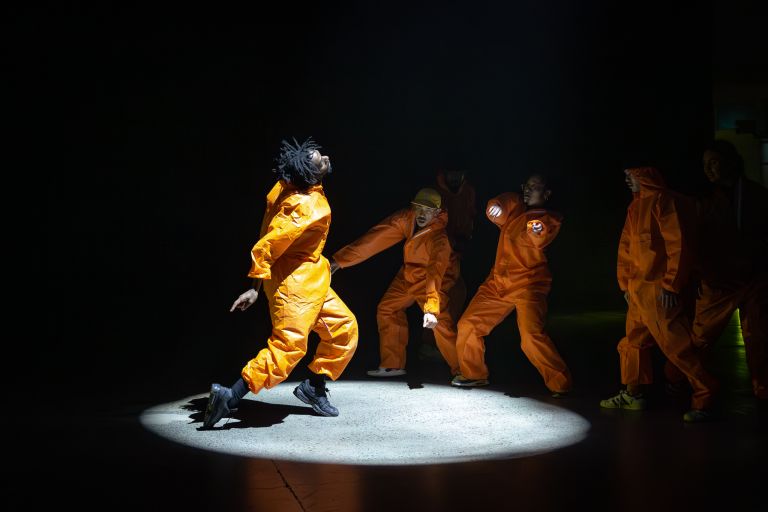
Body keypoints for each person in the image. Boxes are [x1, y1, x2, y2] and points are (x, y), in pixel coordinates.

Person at [203, 137, 358, 428]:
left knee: (344, 329)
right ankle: (230, 397)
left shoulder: (290, 186)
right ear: (309, 175)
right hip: (294, 284)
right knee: (288, 347)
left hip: (312, 276)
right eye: (318, 160)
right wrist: (254, 287)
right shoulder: (303, 206)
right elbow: (268, 244)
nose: (325, 157)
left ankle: (314, 387)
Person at [600, 167, 718, 422]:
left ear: (644, 175)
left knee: (677, 347)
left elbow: (678, 244)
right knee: (633, 343)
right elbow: (626, 250)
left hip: (656, 291)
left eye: (631, 174)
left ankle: (705, 394)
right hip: (639, 291)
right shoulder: (636, 207)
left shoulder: (664, 202)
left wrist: (670, 285)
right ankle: (633, 393)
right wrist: (626, 286)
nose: (627, 180)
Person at [452, 174, 572, 397]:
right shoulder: (516, 208)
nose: (528, 189)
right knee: (469, 324)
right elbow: (501, 204)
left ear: (546, 194)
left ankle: (560, 384)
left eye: (535, 187)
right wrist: (495, 207)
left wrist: (536, 228)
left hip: (528, 285)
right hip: (498, 284)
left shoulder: (549, 218)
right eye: (526, 185)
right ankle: (474, 373)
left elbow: (540, 236)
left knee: (531, 336)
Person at [666, 140, 768, 400]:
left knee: (758, 336)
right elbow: (692, 241)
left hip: (754, 278)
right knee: (701, 337)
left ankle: (762, 388)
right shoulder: (703, 200)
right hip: (718, 279)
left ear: (730, 161)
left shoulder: (757, 195)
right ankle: (679, 377)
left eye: (713, 162)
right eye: (705, 164)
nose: (709, 169)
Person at [330, 188, 460, 378]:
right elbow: (374, 239)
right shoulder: (406, 219)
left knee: (440, 322)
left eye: (428, 209)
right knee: (387, 308)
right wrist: (340, 261)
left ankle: (464, 370)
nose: (422, 213)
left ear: (438, 212)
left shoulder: (439, 239)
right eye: (418, 207)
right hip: (408, 275)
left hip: (433, 279)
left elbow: (435, 273)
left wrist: (431, 308)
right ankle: (393, 365)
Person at [419, 169, 477, 362]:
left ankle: (446, 347)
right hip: (441, 246)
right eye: (450, 174)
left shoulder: (468, 191)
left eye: (458, 174)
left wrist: (466, 238)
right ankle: (433, 346)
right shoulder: (437, 192)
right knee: (437, 294)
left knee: (455, 293)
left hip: (457, 251)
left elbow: (470, 215)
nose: (454, 178)